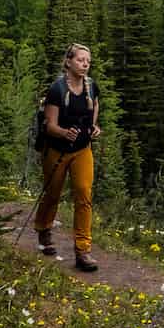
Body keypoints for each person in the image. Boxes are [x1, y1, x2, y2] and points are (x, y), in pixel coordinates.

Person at [35, 42, 102, 270]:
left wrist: (94, 128)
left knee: (84, 194)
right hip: (57, 149)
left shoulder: (91, 87)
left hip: (83, 149)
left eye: (88, 61)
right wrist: (64, 132)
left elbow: (94, 110)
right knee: (53, 193)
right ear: (69, 61)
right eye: (80, 60)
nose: (85, 65)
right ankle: (44, 229)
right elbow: (49, 125)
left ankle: (83, 250)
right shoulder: (57, 90)